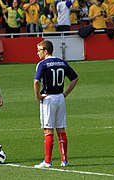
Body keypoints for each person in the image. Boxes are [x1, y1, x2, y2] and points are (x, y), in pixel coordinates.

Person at [33, 40, 79, 168]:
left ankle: (47, 161)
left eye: (39, 50)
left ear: (46, 51)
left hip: (48, 99)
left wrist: (38, 96)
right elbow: (75, 78)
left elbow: (36, 82)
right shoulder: (62, 62)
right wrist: (65, 94)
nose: (37, 53)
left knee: (48, 130)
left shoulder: (42, 64)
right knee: (61, 129)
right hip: (60, 98)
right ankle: (64, 160)